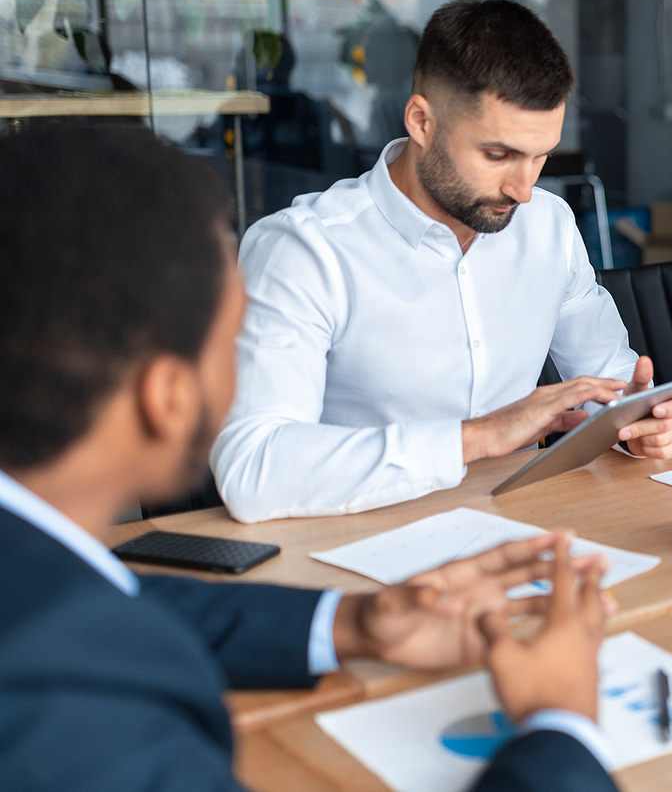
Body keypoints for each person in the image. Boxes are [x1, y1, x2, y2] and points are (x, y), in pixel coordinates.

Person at [0, 125, 620, 792]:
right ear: (168, 397)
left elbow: (103, 606)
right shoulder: (72, 727)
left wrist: (353, 622)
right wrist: (562, 725)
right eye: (234, 338)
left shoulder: (40, 584)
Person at [212, 0, 672, 523]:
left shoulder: (548, 226)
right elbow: (252, 469)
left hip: (520, 526)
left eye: (540, 156)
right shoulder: (304, 251)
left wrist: (643, 421)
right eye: (497, 155)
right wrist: (478, 439)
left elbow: (609, 380)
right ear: (422, 121)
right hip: (357, 543)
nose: (524, 189)